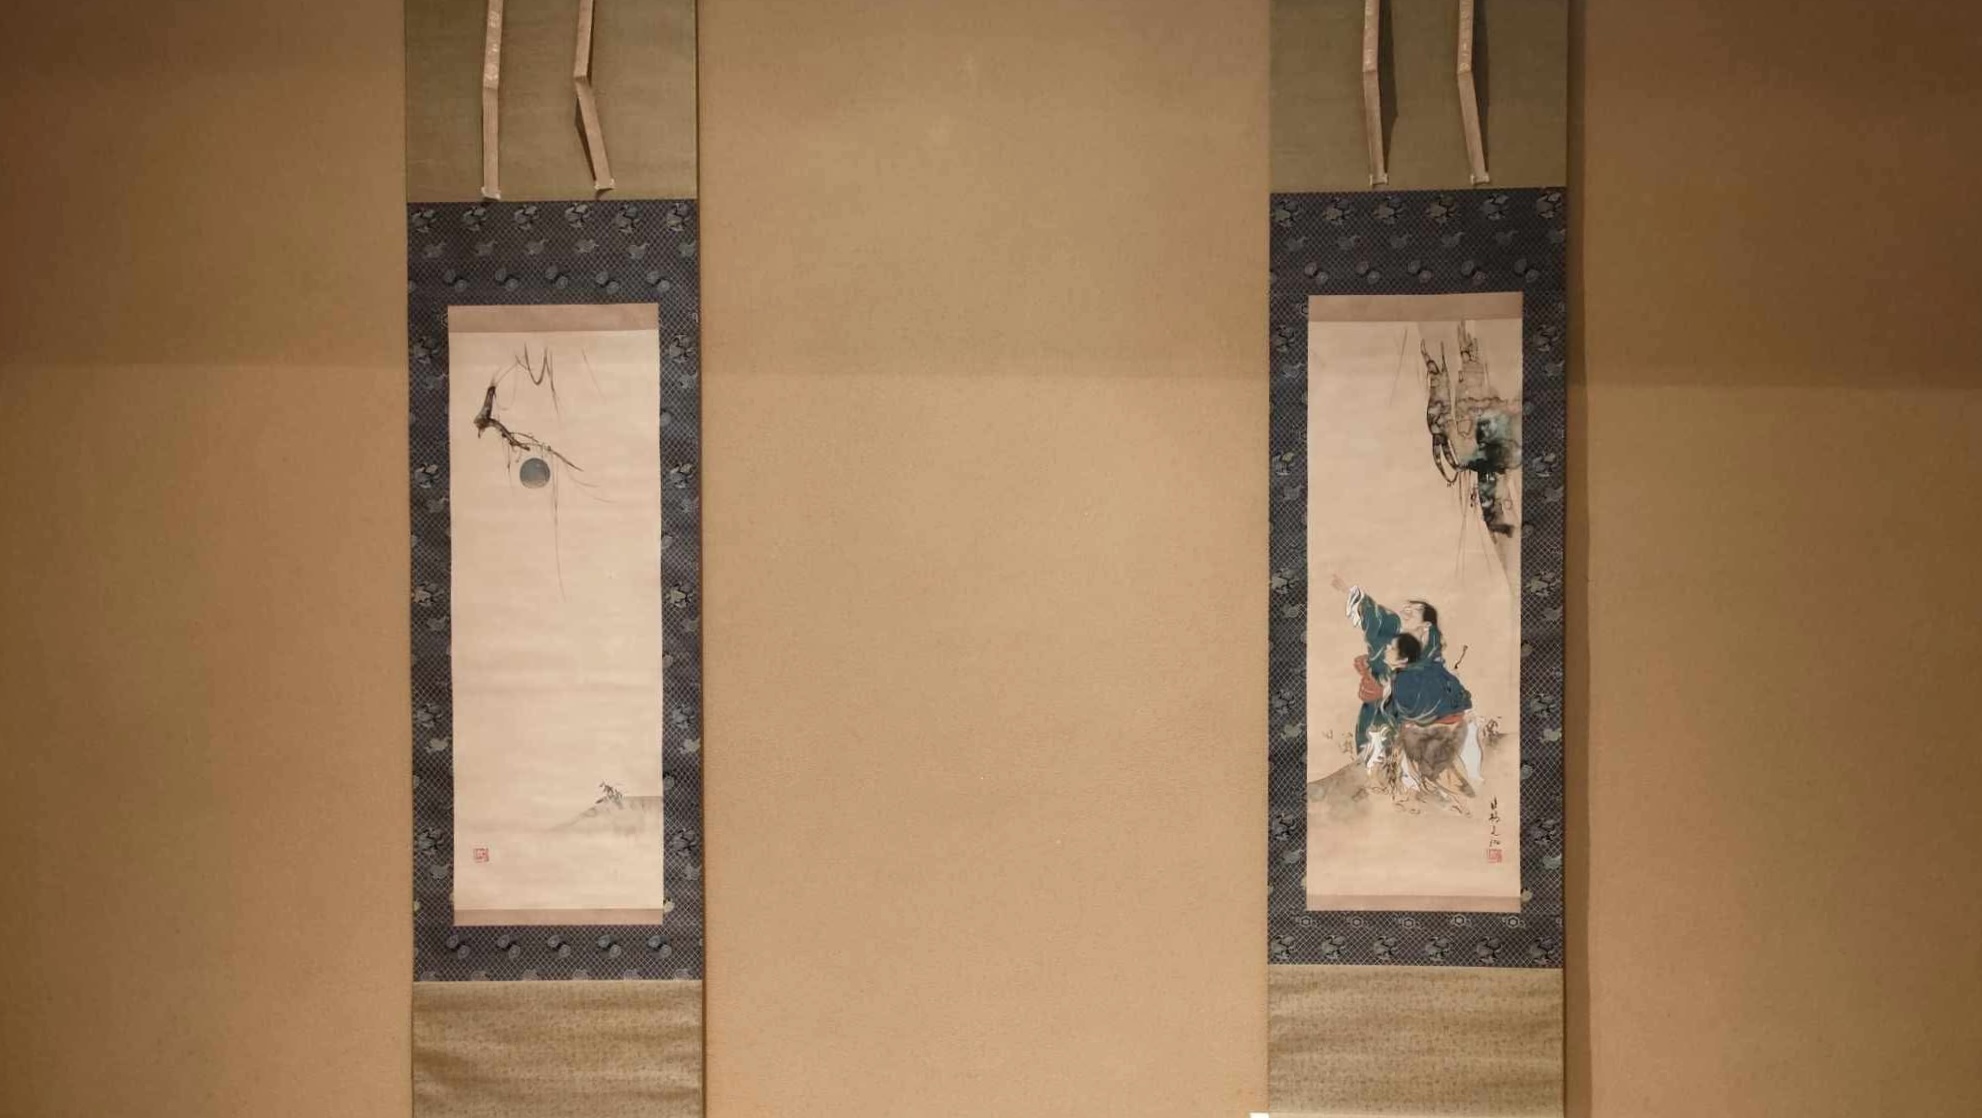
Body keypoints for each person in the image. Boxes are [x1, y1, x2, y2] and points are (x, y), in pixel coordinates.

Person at [1329, 574, 1445, 757]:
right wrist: (1370, 664)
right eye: (1407, 606)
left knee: (1398, 754)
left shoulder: (1431, 651)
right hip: (1376, 711)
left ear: (1426, 625)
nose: (1408, 609)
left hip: (1408, 717)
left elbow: (1428, 686)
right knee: (1371, 750)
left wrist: (1387, 691)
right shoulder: (1393, 628)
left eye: (1417, 609)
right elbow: (1375, 616)